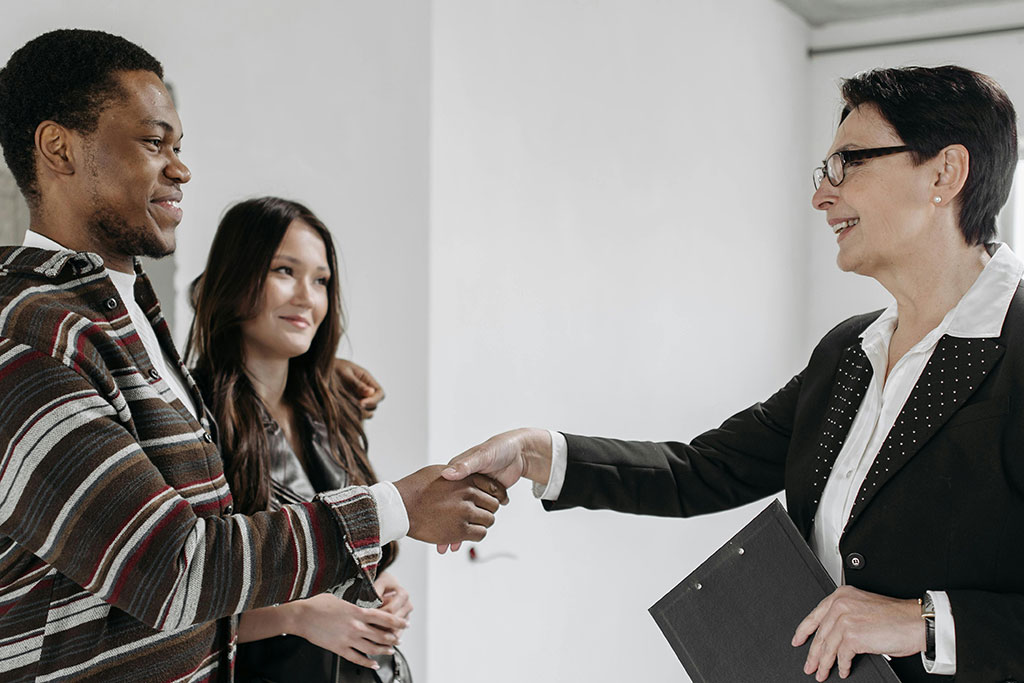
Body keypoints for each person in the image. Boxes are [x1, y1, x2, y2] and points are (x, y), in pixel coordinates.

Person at [443, 65, 1023, 683]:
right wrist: (538, 453)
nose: (821, 196)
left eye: (849, 162)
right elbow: (703, 471)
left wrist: (925, 622)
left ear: (945, 173)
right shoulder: (850, 351)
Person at [0, 28, 505, 682]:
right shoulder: (32, 333)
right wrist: (397, 505)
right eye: (154, 143)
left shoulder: (132, 321)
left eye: (179, 147)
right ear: (58, 148)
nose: (181, 168)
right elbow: (172, 569)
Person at [186, 196, 413, 678]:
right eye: (284, 271)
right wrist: (296, 615)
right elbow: (171, 595)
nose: (307, 298)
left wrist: (378, 584)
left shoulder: (332, 411)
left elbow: (342, 543)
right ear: (237, 277)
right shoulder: (190, 417)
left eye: (321, 280)